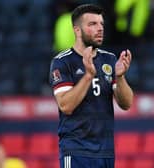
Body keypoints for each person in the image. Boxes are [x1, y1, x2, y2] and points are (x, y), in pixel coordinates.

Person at [49, 4, 133, 168]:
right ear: (77, 30)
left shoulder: (109, 59)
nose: (100, 28)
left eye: (101, 24)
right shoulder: (62, 62)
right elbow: (65, 105)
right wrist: (88, 76)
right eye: (92, 24)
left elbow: (126, 103)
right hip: (76, 151)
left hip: (106, 152)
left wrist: (120, 77)